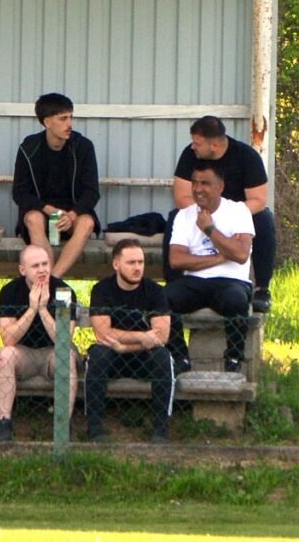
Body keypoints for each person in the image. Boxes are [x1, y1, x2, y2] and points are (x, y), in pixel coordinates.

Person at [171, 116, 274, 313]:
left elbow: (258, 200)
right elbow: (182, 197)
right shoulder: (189, 155)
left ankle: (262, 288)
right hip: (200, 210)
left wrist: (228, 215)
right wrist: (207, 212)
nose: (193, 147)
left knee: (264, 220)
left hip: (238, 214)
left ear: (215, 145)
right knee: (174, 216)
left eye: (197, 143)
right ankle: (174, 281)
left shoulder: (247, 156)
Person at [165, 162, 253, 374]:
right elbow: (176, 259)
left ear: (220, 186)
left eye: (204, 183)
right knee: (162, 298)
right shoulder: (183, 215)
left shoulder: (238, 211)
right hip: (194, 281)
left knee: (236, 300)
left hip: (232, 281)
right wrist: (222, 255)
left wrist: (209, 229)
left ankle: (233, 359)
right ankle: (179, 358)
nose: (197, 189)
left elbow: (241, 255)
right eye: (194, 183)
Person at [86, 238, 174, 443]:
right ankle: (95, 428)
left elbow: (162, 336)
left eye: (140, 262)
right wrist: (142, 336)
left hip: (143, 357)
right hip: (112, 356)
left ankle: (160, 430)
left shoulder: (155, 290)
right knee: (98, 355)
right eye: (131, 262)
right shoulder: (102, 289)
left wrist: (125, 347)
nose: (137, 268)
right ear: (116, 264)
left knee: (163, 357)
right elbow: (102, 334)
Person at [0, 244, 78, 442]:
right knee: (5, 355)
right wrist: (32, 308)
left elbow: (63, 340)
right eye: (35, 266)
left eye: (45, 264)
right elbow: (8, 339)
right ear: (22, 270)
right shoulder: (10, 291)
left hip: (52, 353)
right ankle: (4, 422)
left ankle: (63, 424)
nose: (42, 270)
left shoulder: (63, 291)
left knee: (66, 357)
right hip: (23, 353)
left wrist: (42, 309)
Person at [12, 92, 100, 279]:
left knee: (87, 223)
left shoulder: (83, 146)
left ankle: (52, 279)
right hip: (42, 211)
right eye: (63, 119)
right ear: (47, 122)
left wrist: (72, 215)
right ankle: (47, 278)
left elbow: (92, 192)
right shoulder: (29, 148)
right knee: (33, 219)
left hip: (73, 213)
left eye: (70, 117)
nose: (69, 124)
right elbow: (20, 192)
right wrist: (48, 209)